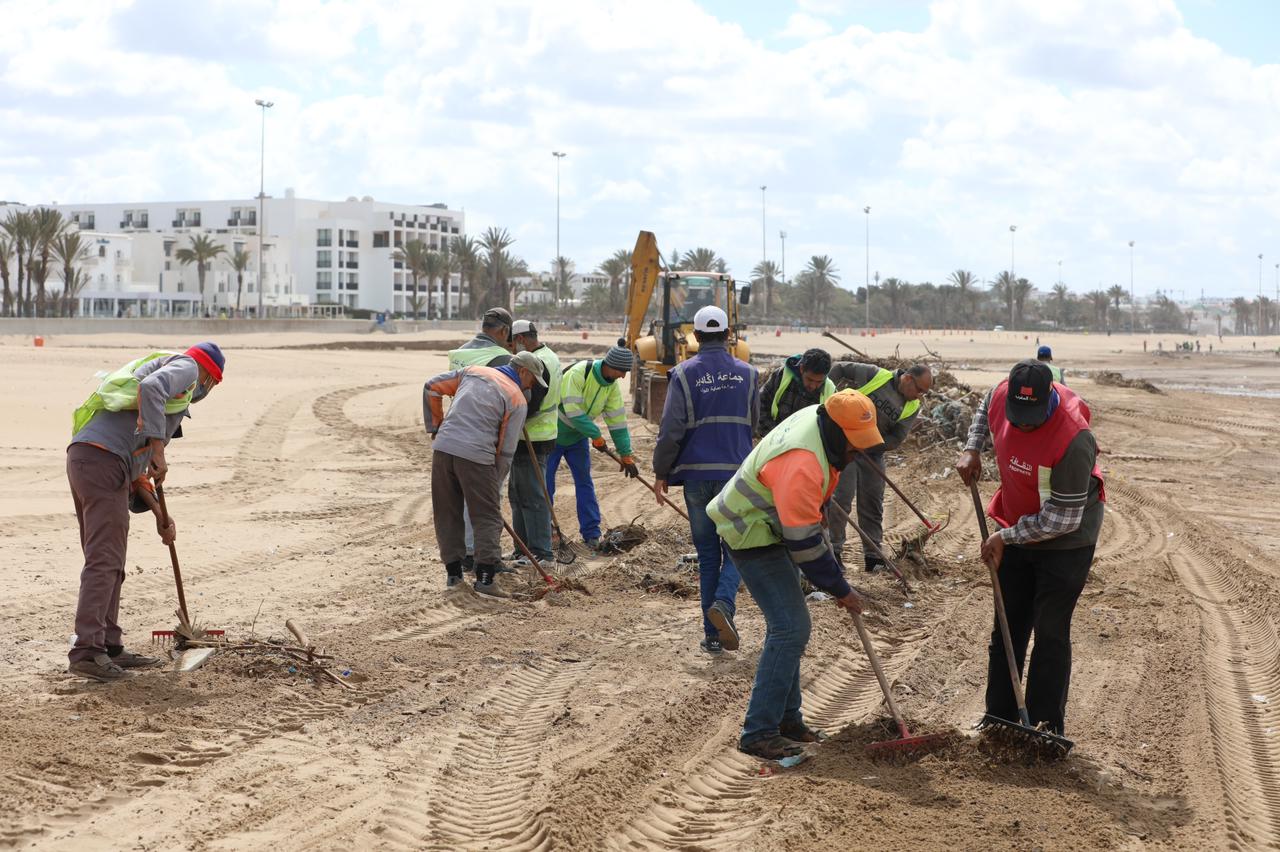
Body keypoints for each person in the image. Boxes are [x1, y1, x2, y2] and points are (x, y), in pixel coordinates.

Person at [707, 390, 883, 760]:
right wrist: (840, 588)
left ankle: (788, 720)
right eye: (854, 446)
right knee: (790, 627)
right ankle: (759, 731)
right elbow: (805, 547)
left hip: (771, 525)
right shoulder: (804, 461)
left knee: (790, 626)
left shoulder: (819, 424)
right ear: (836, 431)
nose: (856, 455)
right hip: (750, 530)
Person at [954, 360, 1105, 737]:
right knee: (1008, 623)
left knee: (1050, 631)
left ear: (1049, 401)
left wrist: (1004, 538)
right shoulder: (1002, 395)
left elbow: (1062, 519)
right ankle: (1000, 718)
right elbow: (985, 404)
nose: (1021, 425)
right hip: (1017, 523)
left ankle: (1044, 728)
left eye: (1031, 418)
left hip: (1067, 540)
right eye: (1016, 416)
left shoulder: (1074, 438)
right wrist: (973, 449)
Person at [66, 343, 226, 681]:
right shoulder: (187, 367)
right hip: (102, 460)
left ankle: (109, 646)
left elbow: (138, 473)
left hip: (98, 460)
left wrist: (160, 517)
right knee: (104, 560)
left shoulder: (170, 397)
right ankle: (86, 652)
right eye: (211, 385)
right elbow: (151, 387)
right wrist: (157, 448)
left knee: (111, 560)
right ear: (210, 377)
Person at [651, 306, 759, 656]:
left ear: (695, 337)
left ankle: (712, 636)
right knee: (739, 551)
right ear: (729, 334)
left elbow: (670, 430)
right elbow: (753, 424)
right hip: (736, 479)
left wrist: (661, 471)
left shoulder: (682, 374)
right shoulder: (749, 374)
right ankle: (724, 604)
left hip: (698, 478)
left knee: (709, 556)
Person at [424, 350, 545, 594]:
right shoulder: (517, 399)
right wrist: (495, 484)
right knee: (487, 518)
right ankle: (486, 580)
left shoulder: (472, 372)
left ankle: (454, 576)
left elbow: (431, 387)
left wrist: (436, 427)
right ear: (523, 371)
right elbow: (506, 450)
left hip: (443, 450)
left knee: (447, 512)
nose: (530, 386)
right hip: (477, 457)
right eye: (532, 380)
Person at [824, 363, 932, 571]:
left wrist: (866, 441)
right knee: (841, 499)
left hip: (872, 454)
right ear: (908, 378)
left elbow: (896, 439)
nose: (920, 396)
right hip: (845, 449)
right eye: (919, 389)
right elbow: (839, 369)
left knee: (872, 505)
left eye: (924, 393)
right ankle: (833, 551)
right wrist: (829, 397)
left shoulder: (911, 406)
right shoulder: (876, 375)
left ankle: (873, 557)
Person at [547, 339, 637, 549]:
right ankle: (546, 533)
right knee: (546, 484)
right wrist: (596, 435)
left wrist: (626, 454)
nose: (623, 377)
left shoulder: (611, 387)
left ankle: (591, 533)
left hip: (577, 439)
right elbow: (573, 411)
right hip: (553, 437)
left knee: (585, 483)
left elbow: (617, 422)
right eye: (622, 371)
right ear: (610, 365)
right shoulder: (579, 373)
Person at [447, 307, 514, 570]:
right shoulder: (501, 358)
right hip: (485, 438)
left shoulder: (461, 352)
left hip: (455, 429)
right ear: (504, 331)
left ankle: (463, 551)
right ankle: (481, 555)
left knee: (460, 495)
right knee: (487, 498)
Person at [508, 320, 562, 564]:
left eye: (513, 343)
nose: (512, 350)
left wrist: (515, 417)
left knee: (531, 497)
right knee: (519, 496)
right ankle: (523, 550)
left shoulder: (538, 362)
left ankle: (540, 552)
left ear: (520, 339)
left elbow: (533, 401)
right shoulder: (548, 355)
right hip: (539, 435)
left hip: (532, 437)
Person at [756, 348, 835, 437]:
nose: (813, 386)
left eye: (819, 382)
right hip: (775, 438)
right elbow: (760, 404)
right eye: (809, 379)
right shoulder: (781, 376)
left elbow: (832, 429)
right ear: (801, 368)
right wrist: (774, 435)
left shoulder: (831, 392)